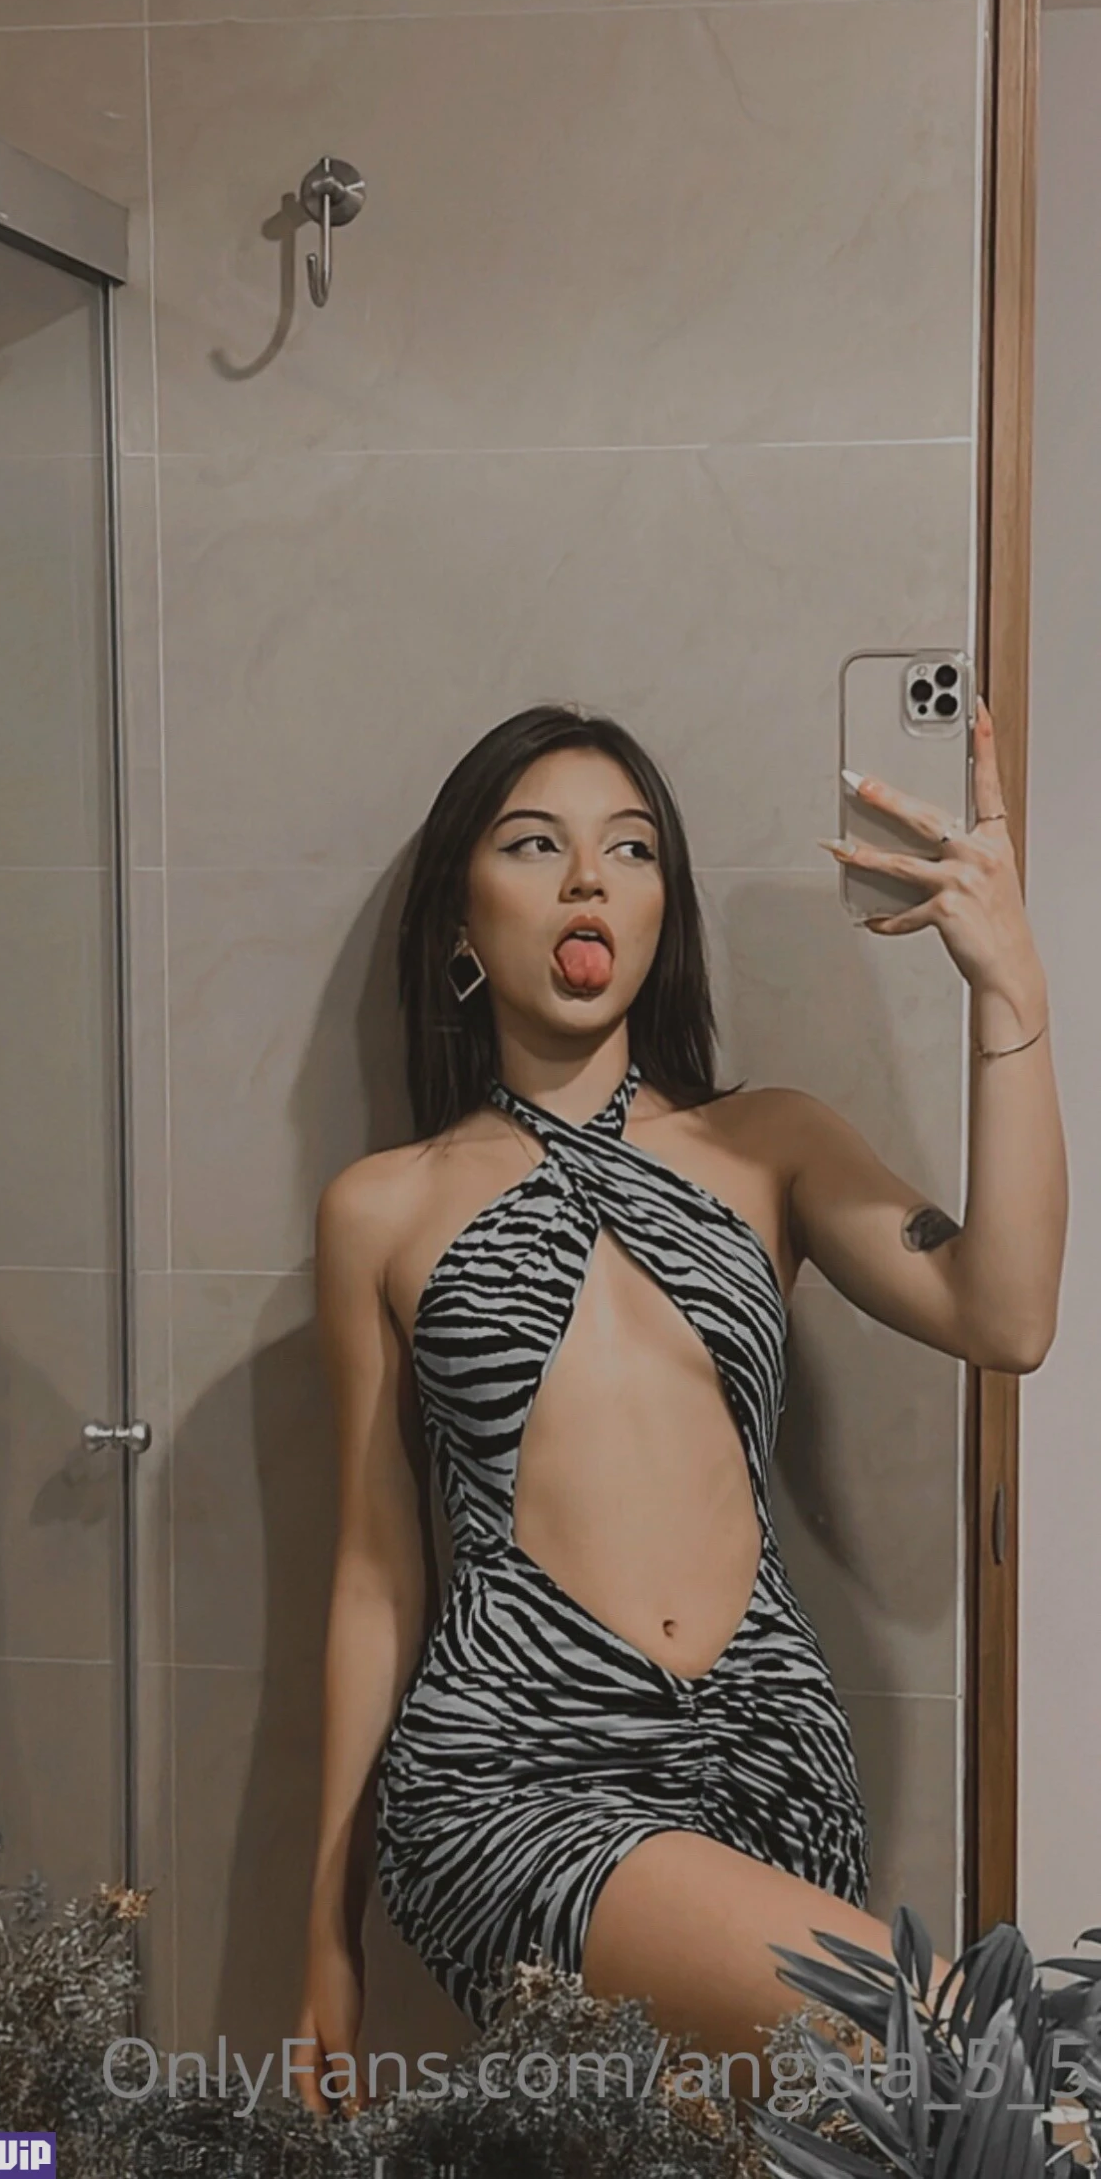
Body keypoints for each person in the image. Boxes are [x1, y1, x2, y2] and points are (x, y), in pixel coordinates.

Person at [294, 698, 1067, 2122]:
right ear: (461, 914)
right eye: (538, 844)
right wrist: (325, 1936)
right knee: (998, 2066)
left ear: (664, 908)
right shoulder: (382, 1208)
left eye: (632, 848)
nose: (591, 879)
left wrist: (1012, 991)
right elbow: (374, 1574)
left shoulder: (767, 1144)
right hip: (514, 1768)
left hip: (774, 1761)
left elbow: (1006, 1316)